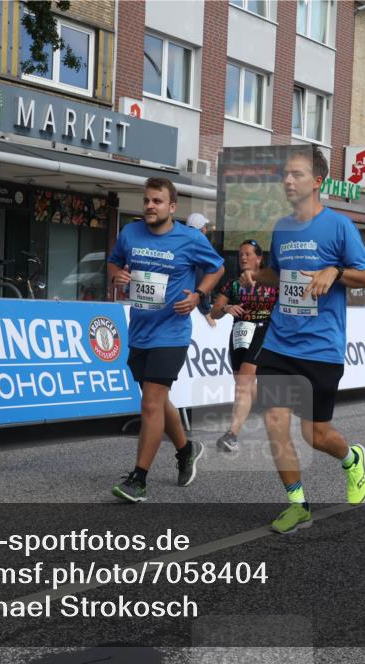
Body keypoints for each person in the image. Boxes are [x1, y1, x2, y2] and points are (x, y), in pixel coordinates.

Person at [240, 148, 365, 534]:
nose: (288, 181)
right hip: (282, 342)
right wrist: (256, 275)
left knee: (314, 434)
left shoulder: (339, 226)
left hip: (321, 347)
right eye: (285, 175)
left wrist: (334, 270)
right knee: (276, 421)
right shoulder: (282, 228)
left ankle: (352, 459)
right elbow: (279, 274)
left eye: (296, 174)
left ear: (317, 181)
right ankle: (297, 503)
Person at [107, 178, 225, 502]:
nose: (150, 206)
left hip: (172, 332)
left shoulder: (188, 239)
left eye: (157, 201)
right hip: (140, 331)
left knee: (150, 403)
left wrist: (199, 294)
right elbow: (114, 262)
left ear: (172, 207)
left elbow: (217, 267)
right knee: (157, 401)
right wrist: (117, 275)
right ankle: (187, 450)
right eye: (147, 200)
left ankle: (139, 479)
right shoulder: (130, 233)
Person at [210, 239, 278, 452]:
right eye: (241, 254)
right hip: (239, 334)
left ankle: (232, 435)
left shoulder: (271, 280)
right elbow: (214, 311)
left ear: (259, 258)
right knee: (244, 384)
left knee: (244, 383)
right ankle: (272, 410)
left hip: (263, 331)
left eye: (248, 254)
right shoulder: (233, 284)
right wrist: (227, 308)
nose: (243, 257)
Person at [187, 212, 219, 326]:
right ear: (202, 229)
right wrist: (206, 311)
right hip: (190, 303)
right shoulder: (200, 244)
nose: (206, 230)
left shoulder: (182, 241)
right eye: (205, 227)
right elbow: (200, 279)